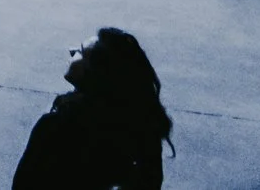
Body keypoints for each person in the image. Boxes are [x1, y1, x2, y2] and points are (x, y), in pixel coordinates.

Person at [9, 27, 171, 190]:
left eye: (80, 51)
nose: (71, 51)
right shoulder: (139, 131)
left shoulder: (55, 126)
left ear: (93, 70)